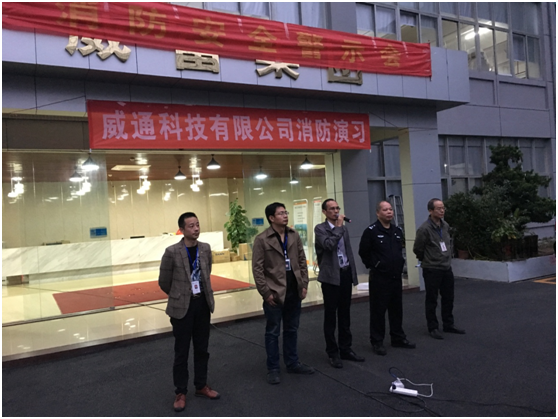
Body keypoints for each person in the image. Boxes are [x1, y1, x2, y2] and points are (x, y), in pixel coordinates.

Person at [159, 212, 220, 412]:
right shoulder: (172, 252)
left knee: (202, 348)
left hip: (202, 304)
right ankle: (181, 391)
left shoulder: (205, 248)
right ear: (182, 229)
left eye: (197, 224)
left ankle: (201, 385)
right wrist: (179, 295)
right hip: (182, 307)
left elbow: (207, 272)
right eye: (191, 226)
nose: (196, 228)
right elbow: (164, 281)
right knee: (182, 352)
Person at [252, 202, 315, 385]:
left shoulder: (293, 235)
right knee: (273, 332)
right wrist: (266, 292)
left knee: (291, 329)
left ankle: (292, 363)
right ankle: (273, 368)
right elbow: (257, 269)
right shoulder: (262, 239)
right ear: (271, 218)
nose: (285, 215)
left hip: (294, 289)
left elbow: (302, 261)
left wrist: (304, 284)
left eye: (285, 212)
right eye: (281, 213)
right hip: (275, 292)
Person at [358, 201, 416, 356]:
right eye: (385, 210)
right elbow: (363, 252)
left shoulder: (397, 231)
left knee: (396, 309)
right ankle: (377, 341)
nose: (389, 212)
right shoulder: (371, 231)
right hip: (380, 278)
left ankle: (398, 337)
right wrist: (375, 265)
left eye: (390, 209)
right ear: (378, 213)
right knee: (378, 311)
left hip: (396, 276)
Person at [314, 199, 365, 368]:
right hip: (330, 277)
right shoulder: (320, 229)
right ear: (324, 212)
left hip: (345, 273)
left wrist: (353, 273)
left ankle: (346, 348)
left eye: (337, 208)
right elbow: (328, 245)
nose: (336, 211)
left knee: (345, 314)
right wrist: (338, 228)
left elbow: (347, 251)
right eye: (332, 209)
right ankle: (332, 352)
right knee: (331, 315)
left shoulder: (343, 228)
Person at [413, 198, 466, 340]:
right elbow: (418, 249)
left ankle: (448, 324)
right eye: (438, 208)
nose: (442, 211)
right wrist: (428, 259)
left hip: (446, 267)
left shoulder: (445, 226)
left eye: (443, 208)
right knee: (432, 298)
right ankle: (433, 327)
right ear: (430, 211)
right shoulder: (424, 229)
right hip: (432, 268)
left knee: (448, 297)